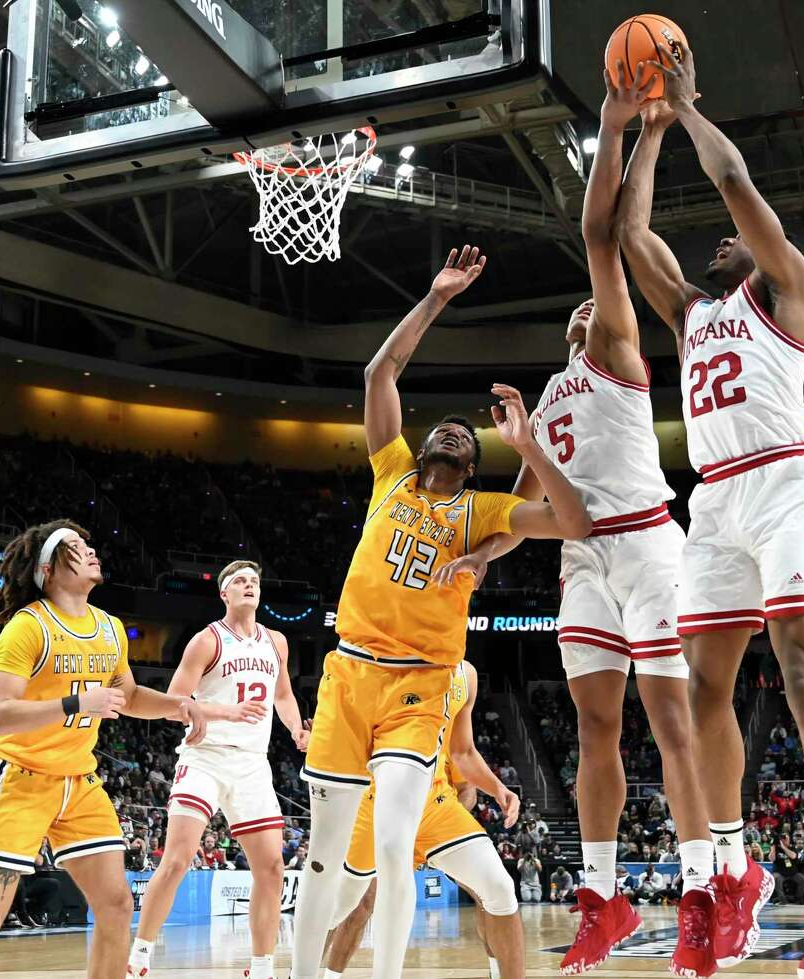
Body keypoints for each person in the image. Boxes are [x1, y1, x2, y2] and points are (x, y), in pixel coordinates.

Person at [615, 40, 804, 977]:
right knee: (702, 689)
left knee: (801, 671)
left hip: (784, 483)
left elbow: (734, 175)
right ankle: (733, 872)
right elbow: (628, 236)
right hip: (716, 501)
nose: (721, 241)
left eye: (735, 239)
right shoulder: (695, 314)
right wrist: (645, 134)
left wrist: (687, 105)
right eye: (720, 246)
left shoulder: (789, 290)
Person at [448, 66, 714, 979]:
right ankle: (603, 896)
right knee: (595, 728)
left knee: (669, 721)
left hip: (644, 543)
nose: (589, 310)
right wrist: (480, 555)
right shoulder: (548, 398)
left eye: (598, 304)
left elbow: (602, 234)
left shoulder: (614, 350)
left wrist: (629, 129)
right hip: (581, 565)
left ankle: (702, 889)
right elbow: (532, 505)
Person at [289, 245, 590, 979]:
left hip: (419, 685)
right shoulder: (390, 472)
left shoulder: (482, 511)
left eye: (468, 434)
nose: (453, 431)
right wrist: (436, 297)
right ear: (420, 446)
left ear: (475, 464)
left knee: (395, 849)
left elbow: (574, 522)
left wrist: (529, 447)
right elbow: (379, 372)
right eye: (445, 428)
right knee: (326, 859)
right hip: (349, 672)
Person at [0, 519, 207, 979]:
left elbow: (129, 697)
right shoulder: (27, 627)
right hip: (22, 779)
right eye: (77, 547)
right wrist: (78, 702)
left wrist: (178, 705)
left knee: (116, 904)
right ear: (49, 570)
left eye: (89, 543)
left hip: (79, 783)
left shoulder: (111, 628)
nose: (91, 550)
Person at [129, 560, 309, 979]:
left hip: (251, 764)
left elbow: (282, 694)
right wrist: (229, 711)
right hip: (206, 757)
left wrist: (297, 729)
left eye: (254, 582)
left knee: (272, 868)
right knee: (177, 859)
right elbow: (174, 702)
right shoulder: (206, 640)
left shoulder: (276, 641)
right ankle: (139, 955)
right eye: (240, 582)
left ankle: (261, 967)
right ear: (224, 594)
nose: (249, 586)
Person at [323, 661, 526, 979]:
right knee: (344, 906)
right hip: (376, 800)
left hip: (434, 804)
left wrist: (499, 788)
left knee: (497, 888)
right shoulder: (387, 658)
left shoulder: (466, 675)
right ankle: (310, 972)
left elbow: (464, 752)